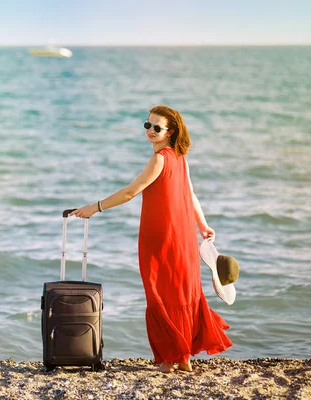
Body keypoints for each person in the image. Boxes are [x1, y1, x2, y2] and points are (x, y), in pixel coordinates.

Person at [70, 105, 232, 373]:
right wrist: (201, 226)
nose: (150, 131)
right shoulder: (180, 158)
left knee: (159, 294)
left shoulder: (160, 160)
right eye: (147, 125)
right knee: (182, 292)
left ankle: (168, 361)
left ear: (170, 132)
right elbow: (190, 195)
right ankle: (184, 359)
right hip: (182, 236)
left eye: (157, 128)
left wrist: (95, 207)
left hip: (161, 236)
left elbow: (130, 192)